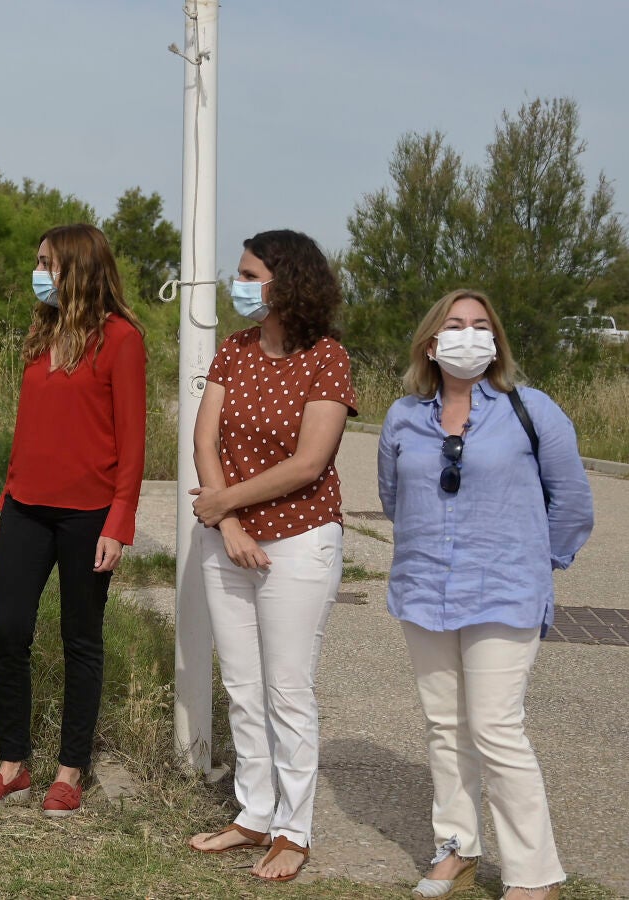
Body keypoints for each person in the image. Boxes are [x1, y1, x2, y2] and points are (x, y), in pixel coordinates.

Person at [378, 290, 592, 900]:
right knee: (445, 726)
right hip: (425, 591)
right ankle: (457, 849)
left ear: (495, 341)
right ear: (431, 343)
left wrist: (534, 564)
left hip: (504, 592)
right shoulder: (402, 417)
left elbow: (572, 502)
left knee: (497, 728)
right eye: (455, 325)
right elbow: (394, 499)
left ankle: (534, 875)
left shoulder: (532, 410)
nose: (468, 335)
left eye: (480, 325)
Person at [185, 229, 356, 882]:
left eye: (249, 274)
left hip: (299, 540)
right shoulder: (234, 349)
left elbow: (308, 463)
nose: (239, 284)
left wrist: (223, 504)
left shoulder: (327, 358)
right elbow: (205, 440)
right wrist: (228, 523)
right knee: (242, 687)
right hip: (226, 539)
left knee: (287, 688)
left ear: (288, 282)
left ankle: (293, 830)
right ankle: (254, 813)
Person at [0, 223, 146, 819]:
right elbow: (28, 431)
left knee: (80, 639)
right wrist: (4, 505)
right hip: (25, 507)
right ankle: (12, 766)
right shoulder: (42, 334)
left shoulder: (121, 340)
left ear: (79, 268)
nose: (38, 273)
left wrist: (119, 522)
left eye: (48, 263)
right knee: (9, 631)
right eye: (37, 261)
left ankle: (70, 772)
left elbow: (133, 442)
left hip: (89, 515)